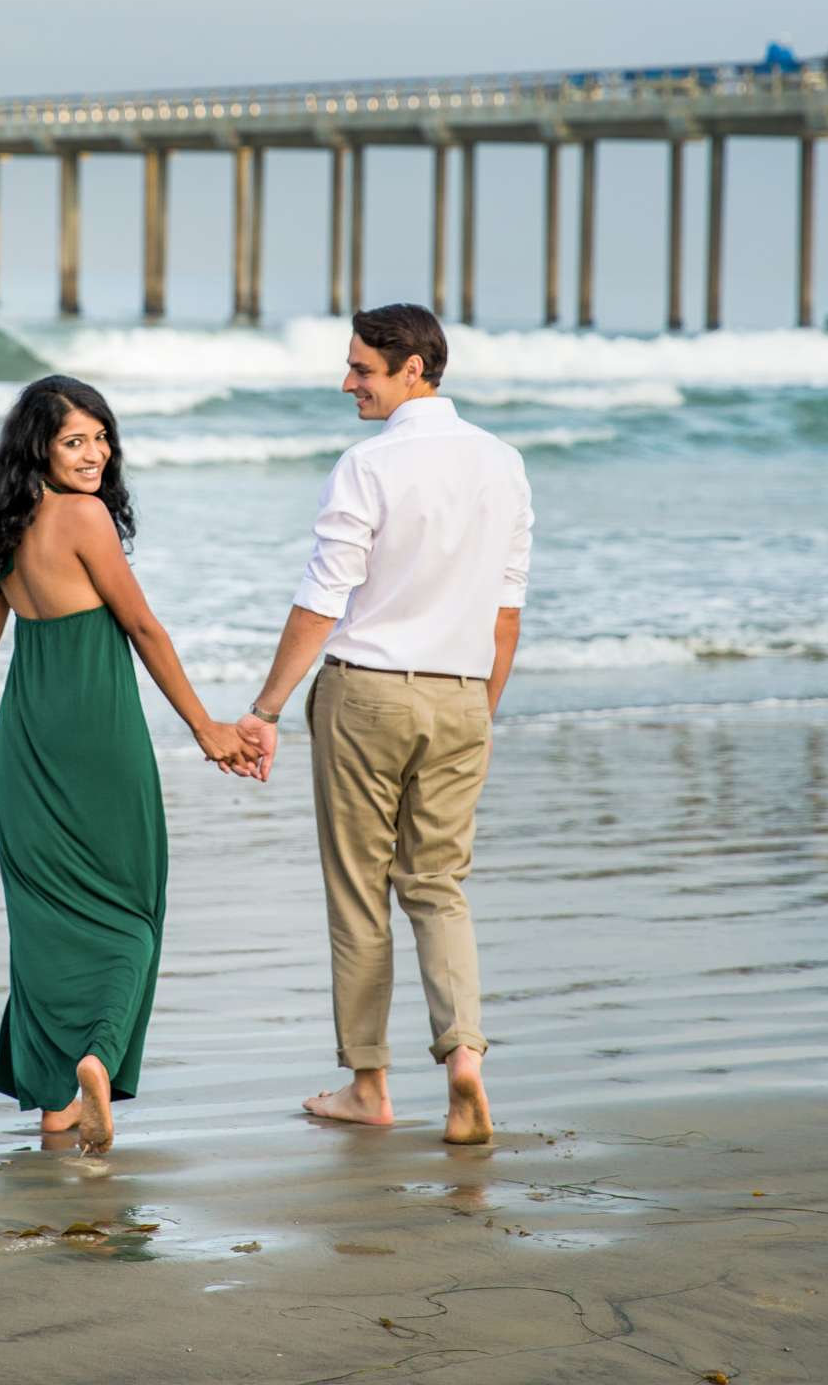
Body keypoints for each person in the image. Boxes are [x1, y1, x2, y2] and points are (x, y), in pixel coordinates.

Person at [236, 303, 531, 1145]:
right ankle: (465, 1059)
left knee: (360, 892)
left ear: (414, 369)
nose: (348, 382)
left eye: (363, 369)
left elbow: (324, 600)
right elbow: (506, 610)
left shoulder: (369, 464)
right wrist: (479, 709)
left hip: (367, 693)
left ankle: (369, 1085)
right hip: (463, 694)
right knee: (438, 887)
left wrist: (264, 710)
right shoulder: (504, 463)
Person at [0, 375, 252, 1155]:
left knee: (44, 923)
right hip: (100, 730)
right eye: (74, 441)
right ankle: (96, 1057)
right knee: (131, 911)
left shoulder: (1, 526)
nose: (94, 454)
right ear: (41, 450)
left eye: (100, 437)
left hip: (25, 734)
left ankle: (55, 1108)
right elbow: (144, 628)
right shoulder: (83, 517)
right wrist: (206, 727)